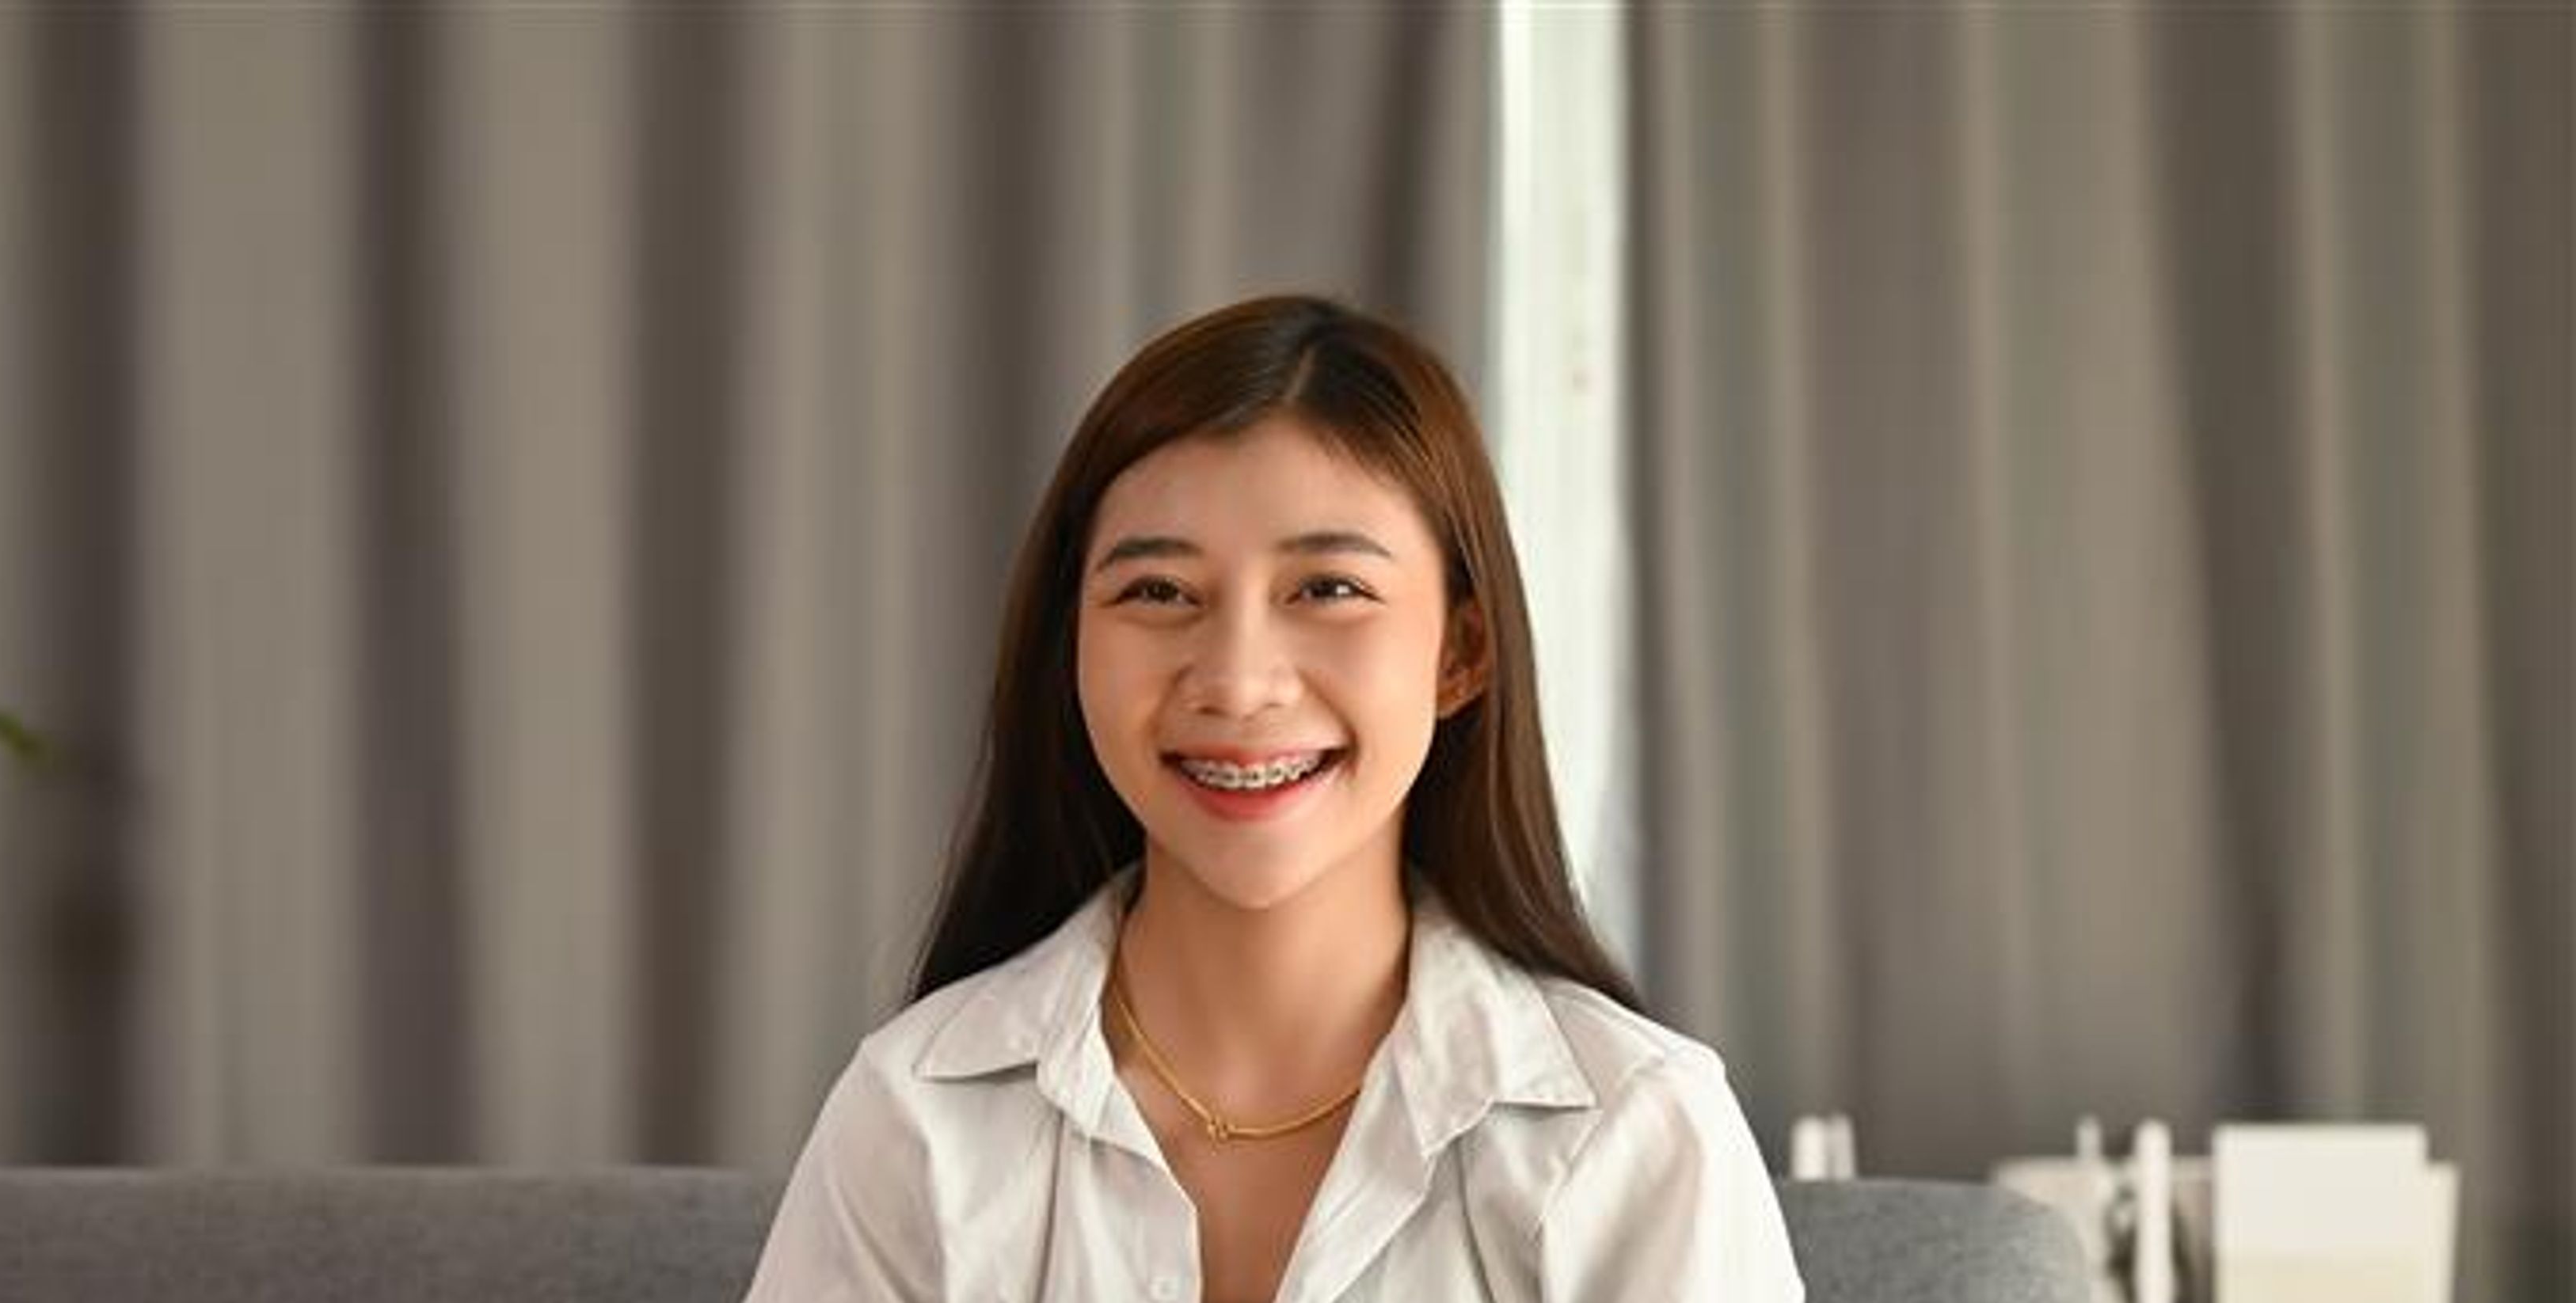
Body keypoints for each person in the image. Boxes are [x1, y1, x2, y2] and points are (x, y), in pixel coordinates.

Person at [744, 295, 1802, 1301]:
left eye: (1328, 589)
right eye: (1158, 592)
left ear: (1460, 652)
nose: (1239, 680)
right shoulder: (915, 1117)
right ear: (1074, 644)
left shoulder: (1635, 1137)